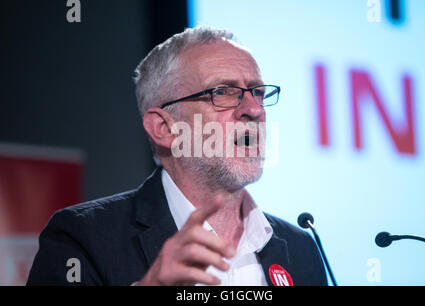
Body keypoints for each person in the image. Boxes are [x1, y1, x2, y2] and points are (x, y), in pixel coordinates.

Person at [26, 26, 327, 286]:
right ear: (164, 128)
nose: (255, 109)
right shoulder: (83, 240)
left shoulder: (301, 250)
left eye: (257, 91)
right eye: (223, 92)